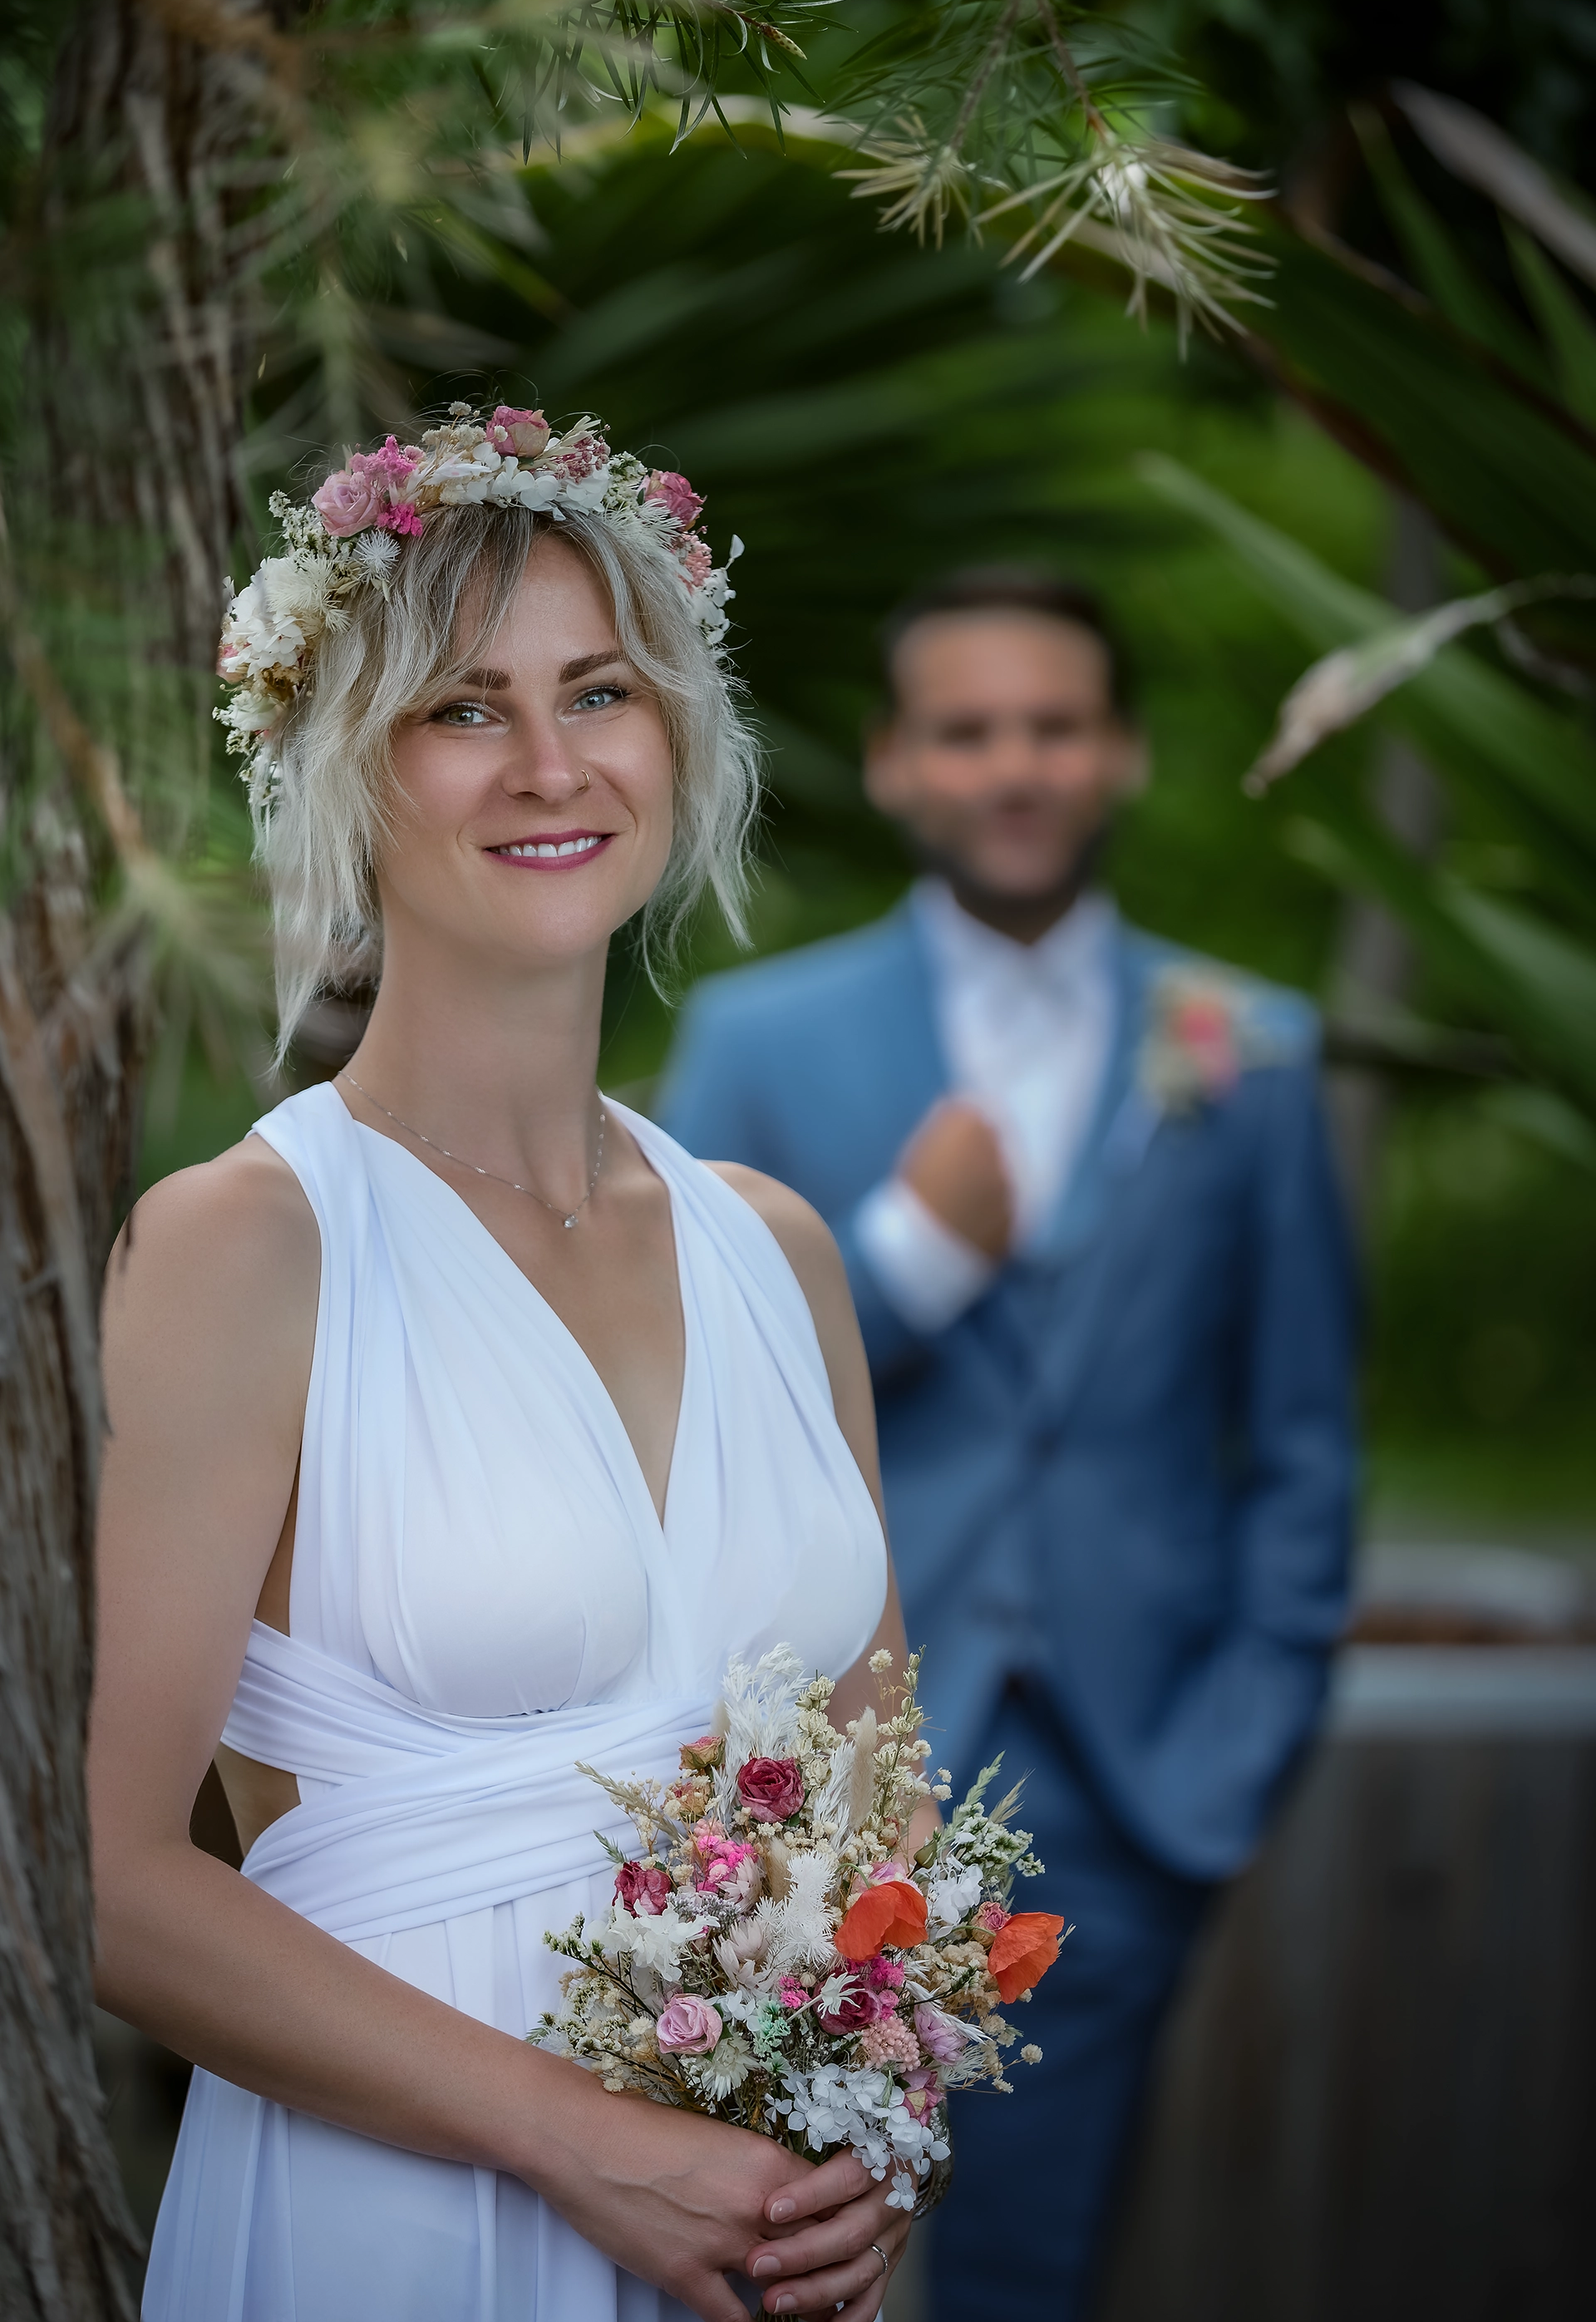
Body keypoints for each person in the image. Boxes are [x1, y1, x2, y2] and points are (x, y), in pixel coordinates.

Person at [88, 403, 933, 2322]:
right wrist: (586, 2146)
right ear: (337, 766)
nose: (551, 764)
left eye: (601, 692)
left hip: (759, 2238)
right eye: (463, 707)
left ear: (680, 735)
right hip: (392, 2232)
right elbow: (105, 1876)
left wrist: (872, 2121)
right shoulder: (244, 1249)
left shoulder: (777, 1250)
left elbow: (878, 1782)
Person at [658, 568, 1358, 2321]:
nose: (1015, 766)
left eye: (1055, 725)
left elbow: (1301, 1441)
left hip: (1134, 1780)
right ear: (896, 764)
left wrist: (1238, 1742)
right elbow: (674, 1409)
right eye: (968, 731)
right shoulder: (761, 1044)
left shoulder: (1250, 1051)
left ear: (1117, 753)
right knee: (762, 2269)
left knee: (1038, 2275)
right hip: (810, 1781)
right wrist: (903, 1264)